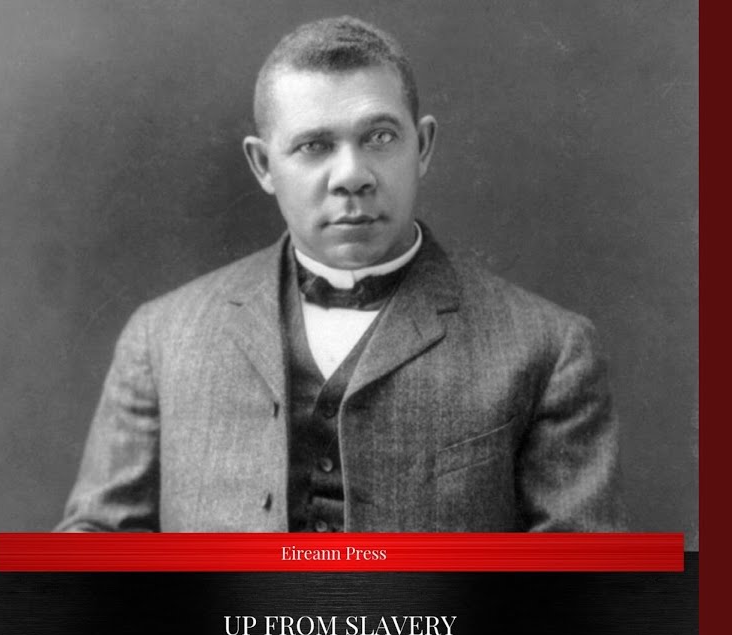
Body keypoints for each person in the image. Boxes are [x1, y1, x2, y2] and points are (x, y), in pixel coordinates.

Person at [57, 16, 622, 533]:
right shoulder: (161, 336)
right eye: (314, 146)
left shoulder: (547, 348)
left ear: (422, 146)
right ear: (263, 165)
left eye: (380, 137)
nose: (351, 175)